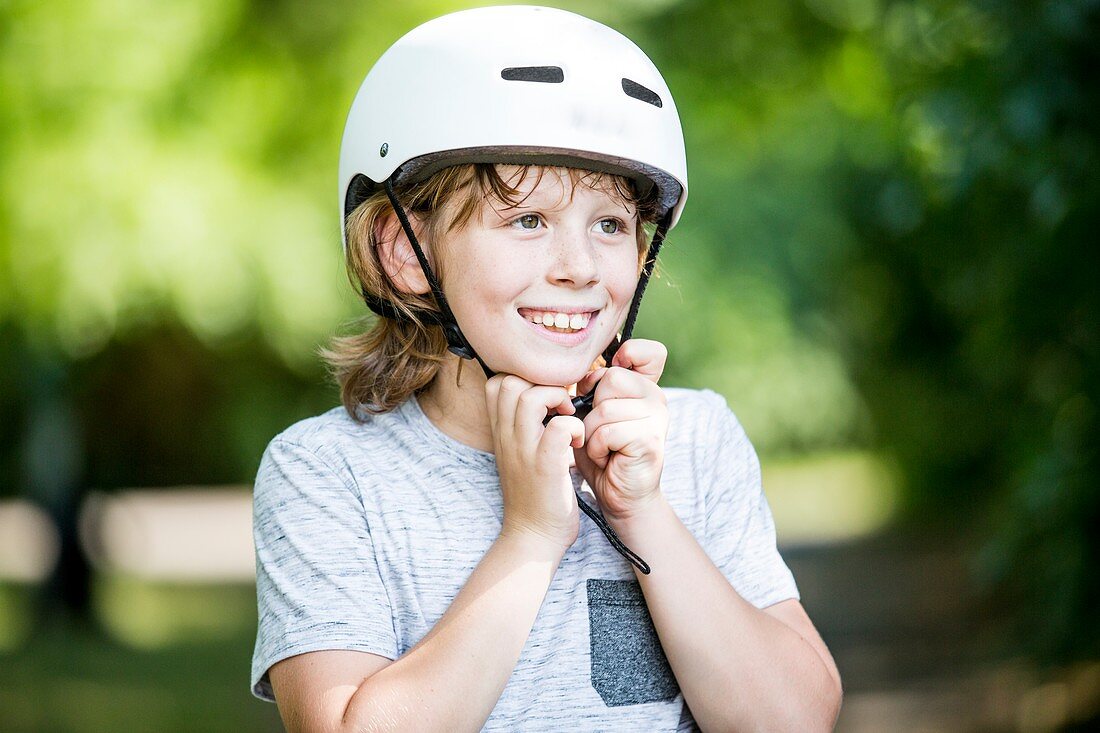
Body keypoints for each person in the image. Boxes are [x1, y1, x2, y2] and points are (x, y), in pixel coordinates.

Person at [249, 6, 842, 732]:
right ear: (405, 251)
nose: (579, 268)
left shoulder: (693, 440)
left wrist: (641, 509)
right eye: (527, 220)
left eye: (610, 225)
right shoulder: (329, 473)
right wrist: (528, 538)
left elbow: (794, 720)